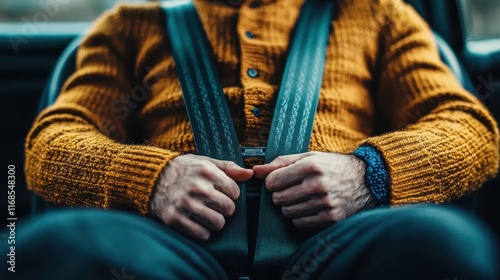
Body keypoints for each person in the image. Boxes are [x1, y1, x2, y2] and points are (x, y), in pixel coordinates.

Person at [9, 0, 500, 279]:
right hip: (164, 250)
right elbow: (52, 141)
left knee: (442, 244)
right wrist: (151, 180)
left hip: (341, 245)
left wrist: (366, 174)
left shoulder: (379, 15)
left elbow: (468, 127)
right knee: (51, 248)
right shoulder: (131, 23)